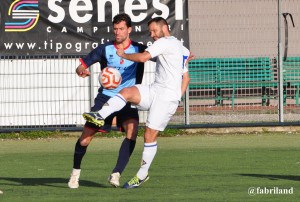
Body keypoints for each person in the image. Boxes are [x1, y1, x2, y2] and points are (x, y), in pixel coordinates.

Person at [83, 17, 191, 189]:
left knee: (149, 135)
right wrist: (179, 94)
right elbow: (186, 76)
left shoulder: (165, 42)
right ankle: (99, 115)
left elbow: (143, 58)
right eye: (150, 32)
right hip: (155, 89)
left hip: (165, 98)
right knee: (126, 92)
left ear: (165, 28)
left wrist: (123, 55)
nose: (152, 35)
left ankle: (142, 174)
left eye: (154, 31)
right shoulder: (181, 47)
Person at [68, 13, 147, 189]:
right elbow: (81, 65)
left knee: (132, 131)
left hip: (129, 98)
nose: (117, 32)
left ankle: (116, 173)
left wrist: (183, 57)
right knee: (85, 139)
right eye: (115, 29)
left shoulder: (140, 49)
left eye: (121, 29)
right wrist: (81, 70)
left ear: (129, 30)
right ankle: (75, 173)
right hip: (106, 98)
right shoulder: (104, 49)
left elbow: (161, 56)